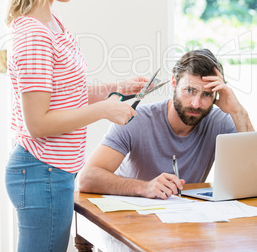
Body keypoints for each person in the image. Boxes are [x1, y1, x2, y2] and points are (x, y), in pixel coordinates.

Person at [4, 0, 148, 252]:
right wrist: (105, 111)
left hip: (53, 173)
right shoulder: (34, 36)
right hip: (41, 172)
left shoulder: (53, 24)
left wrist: (117, 90)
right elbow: (38, 123)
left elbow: (65, 95)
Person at [79, 49, 255, 200]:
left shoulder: (219, 121)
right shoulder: (137, 119)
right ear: (174, 83)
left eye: (206, 95)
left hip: (184, 222)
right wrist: (145, 187)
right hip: (130, 222)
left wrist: (237, 111)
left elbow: (253, 175)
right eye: (189, 90)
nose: (196, 103)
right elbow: (87, 178)